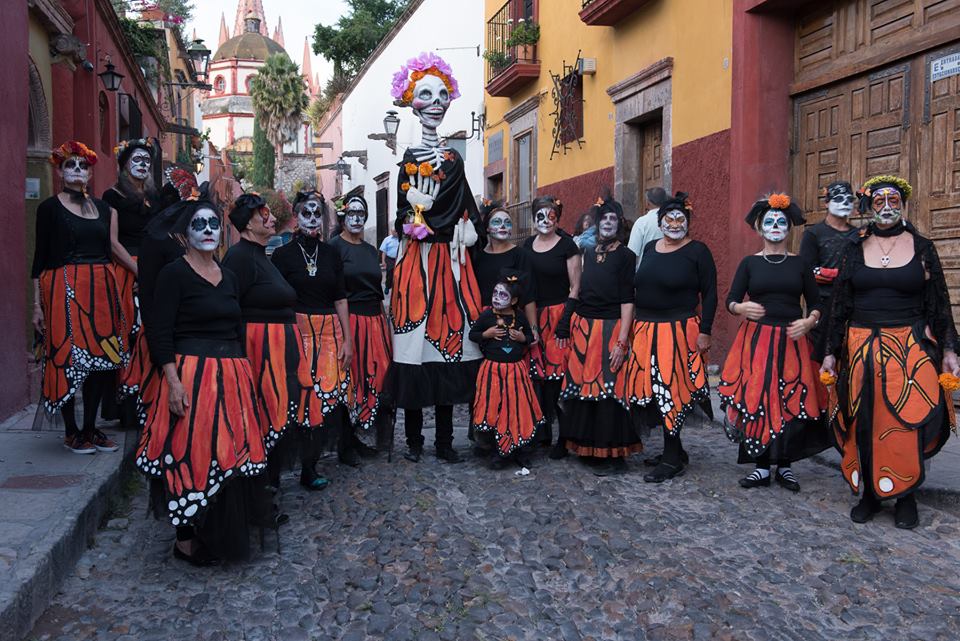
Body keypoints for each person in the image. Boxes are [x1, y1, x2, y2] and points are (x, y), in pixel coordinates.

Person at [821, 175, 958, 529]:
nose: (886, 206)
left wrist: (949, 350)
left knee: (904, 420)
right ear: (869, 207)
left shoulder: (923, 247)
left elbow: (939, 302)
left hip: (909, 347)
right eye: (879, 201)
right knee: (862, 420)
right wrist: (831, 352)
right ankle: (869, 493)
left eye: (893, 200)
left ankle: (906, 495)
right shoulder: (852, 247)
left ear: (903, 205)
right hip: (860, 347)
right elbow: (839, 304)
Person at [138, 194, 267, 565]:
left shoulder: (228, 275)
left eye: (213, 224)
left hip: (231, 375)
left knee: (226, 454)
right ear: (186, 233)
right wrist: (172, 381)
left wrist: (244, 377)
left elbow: (236, 327)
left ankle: (218, 529)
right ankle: (184, 538)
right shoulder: (173, 274)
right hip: (191, 375)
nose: (208, 231)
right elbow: (159, 331)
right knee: (188, 453)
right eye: (199, 224)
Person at [388, 52, 483, 464]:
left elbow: (467, 210)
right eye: (428, 94)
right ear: (413, 102)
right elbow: (400, 217)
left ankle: (444, 442)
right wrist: (412, 212)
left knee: (448, 350)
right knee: (413, 352)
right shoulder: (408, 159)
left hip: (447, 263)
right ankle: (413, 442)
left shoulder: (454, 160)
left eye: (443, 94)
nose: (438, 102)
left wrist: (463, 228)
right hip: (416, 263)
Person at [719, 193, 825, 492]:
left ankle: (786, 465)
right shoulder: (749, 264)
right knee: (760, 400)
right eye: (770, 221)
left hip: (792, 341)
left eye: (781, 221)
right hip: (757, 342)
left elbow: (817, 304)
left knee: (790, 399)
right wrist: (740, 309)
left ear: (789, 228)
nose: (776, 225)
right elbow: (730, 300)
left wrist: (809, 321)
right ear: (760, 228)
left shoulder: (800, 264)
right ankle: (762, 466)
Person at [32, 141, 126, 453]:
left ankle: (90, 428)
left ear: (89, 172)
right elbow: (40, 258)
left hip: (100, 287)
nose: (77, 171)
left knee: (102, 360)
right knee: (68, 360)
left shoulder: (104, 209)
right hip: (62, 287)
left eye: (82, 166)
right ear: (59, 171)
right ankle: (71, 431)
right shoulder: (48, 209)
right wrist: (37, 305)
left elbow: (110, 249)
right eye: (70, 165)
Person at [223, 193, 312, 492]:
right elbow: (231, 307)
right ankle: (258, 489)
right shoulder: (239, 258)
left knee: (278, 414)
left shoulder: (259, 254)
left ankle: (268, 484)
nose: (272, 218)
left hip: (278, 350)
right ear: (248, 224)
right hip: (259, 352)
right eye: (264, 214)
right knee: (264, 415)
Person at [625, 192, 717, 483]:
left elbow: (711, 294)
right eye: (669, 219)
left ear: (687, 222)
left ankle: (672, 459)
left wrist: (705, 331)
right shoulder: (651, 247)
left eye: (680, 219)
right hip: (646, 330)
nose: (675, 224)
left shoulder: (698, 251)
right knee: (653, 392)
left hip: (679, 331)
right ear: (660, 221)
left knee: (671, 393)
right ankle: (673, 451)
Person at [272, 189, 352, 489]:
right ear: (296, 216)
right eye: (306, 213)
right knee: (296, 397)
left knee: (321, 398)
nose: (312, 219)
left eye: (317, 213)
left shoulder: (332, 253)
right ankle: (277, 469)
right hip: (297, 332)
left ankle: (310, 467)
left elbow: (341, 298)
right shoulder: (281, 255)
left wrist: (348, 340)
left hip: (330, 334)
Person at [558, 195, 638, 476]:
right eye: (603, 219)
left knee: (610, 391)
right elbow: (577, 289)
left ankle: (612, 453)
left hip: (611, 327)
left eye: (612, 219)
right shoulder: (587, 253)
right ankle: (587, 447)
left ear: (619, 225)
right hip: (585, 327)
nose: (607, 223)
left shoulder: (627, 256)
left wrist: (621, 341)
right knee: (584, 389)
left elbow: (628, 300)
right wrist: (568, 321)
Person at [470, 201, 537, 456]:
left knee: (511, 383)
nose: (503, 227)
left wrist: (532, 329)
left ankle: (513, 435)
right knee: (483, 382)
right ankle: (484, 436)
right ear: (487, 227)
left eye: (508, 222)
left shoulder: (520, 255)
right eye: (497, 222)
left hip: (512, 322)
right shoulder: (478, 255)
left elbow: (528, 295)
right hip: (484, 323)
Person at [330, 195, 394, 464]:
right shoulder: (333, 248)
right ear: (343, 216)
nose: (356, 218)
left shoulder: (370, 250)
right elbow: (333, 292)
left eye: (361, 213)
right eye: (352, 213)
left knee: (377, 378)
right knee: (351, 382)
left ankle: (369, 437)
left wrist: (387, 330)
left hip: (375, 322)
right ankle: (346, 445)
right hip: (350, 321)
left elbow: (379, 294)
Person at [101, 138, 158, 425]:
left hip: (151, 271)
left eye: (147, 161)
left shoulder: (153, 198)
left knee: (149, 335)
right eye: (137, 160)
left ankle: (148, 398)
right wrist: (137, 271)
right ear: (124, 165)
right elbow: (111, 242)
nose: (143, 165)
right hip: (125, 270)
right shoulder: (112, 197)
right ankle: (124, 408)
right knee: (127, 336)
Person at [521, 196, 581, 456]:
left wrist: (566, 320)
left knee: (559, 377)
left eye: (551, 216)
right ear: (533, 218)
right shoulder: (526, 246)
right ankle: (542, 431)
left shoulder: (567, 245)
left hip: (559, 316)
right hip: (534, 314)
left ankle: (565, 437)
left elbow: (576, 285)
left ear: (558, 217)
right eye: (540, 216)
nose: (545, 221)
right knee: (538, 376)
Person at [470, 274, 543, 469]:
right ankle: (498, 452)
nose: (496, 297)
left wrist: (521, 337)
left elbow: (529, 336)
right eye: (495, 293)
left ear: (514, 300)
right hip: (492, 371)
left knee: (516, 409)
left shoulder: (519, 316)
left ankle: (518, 450)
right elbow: (473, 334)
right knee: (496, 409)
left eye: (502, 295)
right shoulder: (487, 316)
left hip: (516, 371)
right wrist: (487, 334)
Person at [799, 181, 858, 361]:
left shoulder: (858, 235)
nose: (844, 203)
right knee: (822, 356)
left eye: (849, 199)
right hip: (823, 304)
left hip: (852, 304)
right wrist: (839, 275)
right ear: (826, 202)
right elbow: (806, 271)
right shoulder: (813, 234)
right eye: (839, 198)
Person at [626, 186, 667, 267]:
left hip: (646, 271)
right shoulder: (673, 220)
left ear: (647, 203)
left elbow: (632, 253)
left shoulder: (642, 222)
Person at [379, 229, 399, 296]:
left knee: (398, 273)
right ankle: (387, 286)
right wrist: (383, 261)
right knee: (390, 272)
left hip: (398, 258)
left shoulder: (401, 239)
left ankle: (397, 288)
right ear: (391, 231)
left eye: (396, 231)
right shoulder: (387, 239)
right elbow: (384, 251)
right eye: (393, 232)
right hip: (390, 259)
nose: (395, 233)